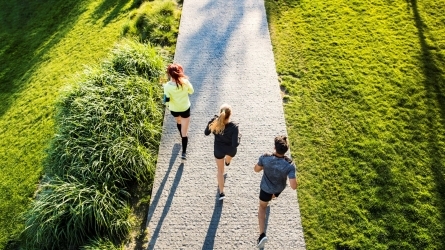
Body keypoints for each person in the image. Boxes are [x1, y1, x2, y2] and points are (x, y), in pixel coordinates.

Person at [254, 136, 297, 248]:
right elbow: (293, 186)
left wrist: (264, 166)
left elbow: (256, 169)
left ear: (274, 147)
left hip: (265, 188)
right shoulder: (289, 165)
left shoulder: (265, 157)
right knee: (272, 196)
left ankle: (262, 235)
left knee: (262, 207)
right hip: (278, 189)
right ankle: (270, 198)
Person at [205, 103, 240, 200]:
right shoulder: (234, 127)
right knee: (229, 157)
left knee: (220, 171)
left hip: (219, 150)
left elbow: (206, 133)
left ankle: (221, 192)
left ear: (220, 113)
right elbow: (235, 144)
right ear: (230, 115)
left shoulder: (214, 122)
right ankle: (228, 161)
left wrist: (211, 122)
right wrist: (239, 137)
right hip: (230, 149)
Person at [163, 63, 194, 159]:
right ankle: (184, 153)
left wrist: (169, 105)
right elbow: (191, 91)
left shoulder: (167, 86)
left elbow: (166, 100)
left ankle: (181, 134)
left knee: (178, 121)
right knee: (185, 133)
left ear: (169, 74)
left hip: (174, 109)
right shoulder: (185, 82)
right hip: (185, 108)